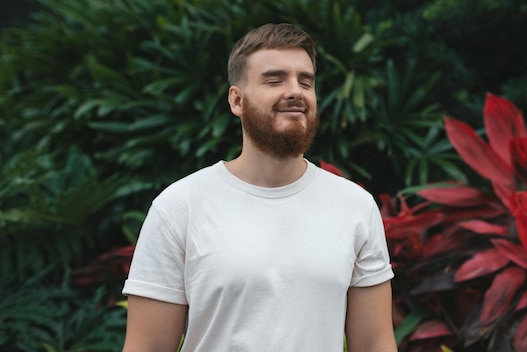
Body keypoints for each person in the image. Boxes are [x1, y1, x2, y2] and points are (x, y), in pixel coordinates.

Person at [122, 23, 396, 352]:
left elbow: (376, 343)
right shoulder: (180, 206)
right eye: (275, 79)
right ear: (237, 101)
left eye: (305, 81)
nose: (295, 91)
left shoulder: (355, 206)